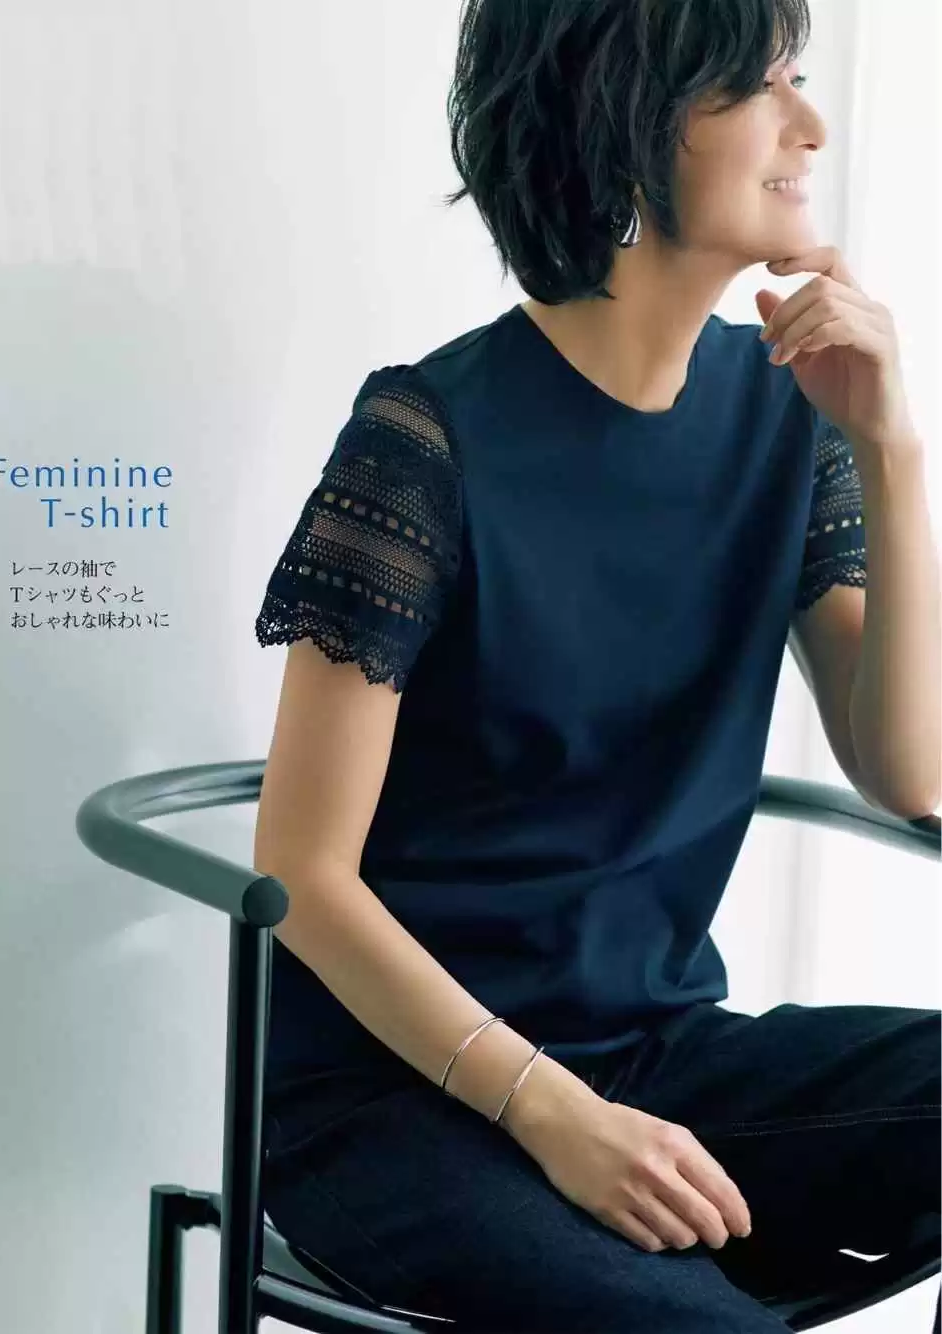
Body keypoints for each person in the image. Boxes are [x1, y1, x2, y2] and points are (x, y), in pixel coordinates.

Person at [251, 1, 941, 1329]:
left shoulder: (789, 417)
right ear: (630, 120)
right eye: (758, 86)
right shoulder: (425, 439)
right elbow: (304, 874)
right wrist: (552, 1112)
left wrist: (894, 446)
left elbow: (908, 769)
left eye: (800, 78)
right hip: (400, 1100)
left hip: (657, 1060)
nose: (810, 125)